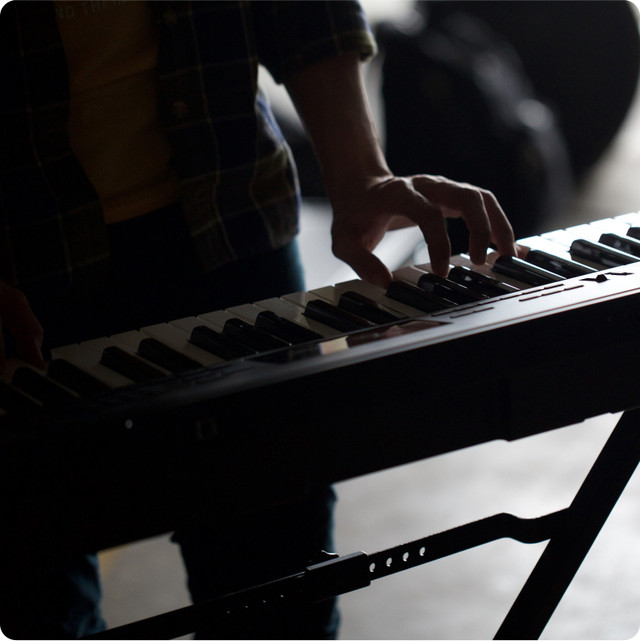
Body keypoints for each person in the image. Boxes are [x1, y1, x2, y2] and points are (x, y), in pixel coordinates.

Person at [0, 1, 517, 639]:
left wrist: (360, 171)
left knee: (278, 589)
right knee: (40, 601)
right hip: (20, 272)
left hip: (230, 231)